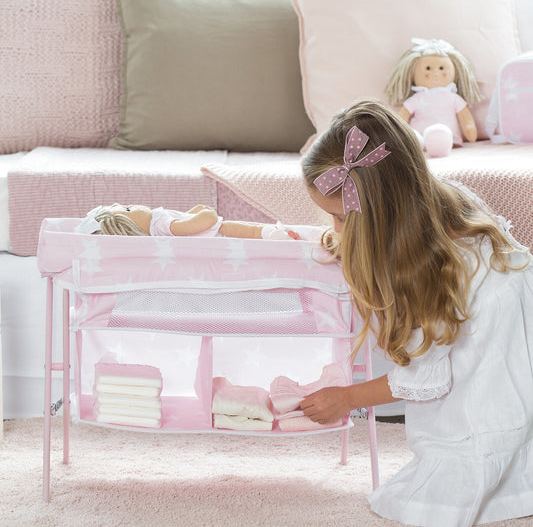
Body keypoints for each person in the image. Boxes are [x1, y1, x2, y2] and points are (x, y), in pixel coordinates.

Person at [299, 98, 533, 526]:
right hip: (517, 361)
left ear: (379, 218)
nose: (335, 228)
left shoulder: (428, 271)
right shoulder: (443, 200)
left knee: (422, 500)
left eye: (340, 219)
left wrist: (347, 399)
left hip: (495, 392)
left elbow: (424, 379)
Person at [384, 37, 482, 158]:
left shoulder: (453, 98)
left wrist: (469, 129)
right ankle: (416, 140)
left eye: (441, 68)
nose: (435, 73)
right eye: (428, 68)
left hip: (448, 137)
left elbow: (466, 119)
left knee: (439, 134)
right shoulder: (416, 98)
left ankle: (438, 142)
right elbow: (402, 118)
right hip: (420, 139)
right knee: (414, 137)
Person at [76, 203, 303, 240]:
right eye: (128, 210)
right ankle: (275, 237)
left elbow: (183, 219)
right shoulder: (159, 226)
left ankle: (274, 232)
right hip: (217, 233)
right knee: (248, 232)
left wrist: (193, 212)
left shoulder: (158, 225)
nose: (132, 205)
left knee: (249, 229)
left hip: (215, 230)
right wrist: (207, 213)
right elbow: (191, 226)